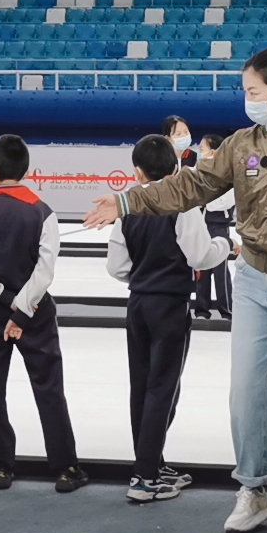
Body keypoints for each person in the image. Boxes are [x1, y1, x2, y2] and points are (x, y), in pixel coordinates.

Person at [81, 49, 267, 533]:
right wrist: (126, 201)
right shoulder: (240, 144)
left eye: (253, 92)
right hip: (251, 278)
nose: (246, 100)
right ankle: (253, 489)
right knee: (246, 392)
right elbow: (190, 186)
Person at [0, 133, 87, 493]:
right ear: (27, 171)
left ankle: (1, 467)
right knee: (49, 390)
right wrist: (22, 310)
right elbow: (44, 271)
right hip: (36, 315)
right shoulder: (44, 213)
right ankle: (65, 468)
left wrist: (2, 299)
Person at [106, 132, 229, 503]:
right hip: (170, 305)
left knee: (141, 386)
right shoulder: (182, 206)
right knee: (163, 388)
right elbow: (199, 256)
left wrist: (143, 277)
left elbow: (116, 267)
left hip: (138, 303)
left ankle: (151, 463)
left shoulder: (128, 207)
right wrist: (226, 245)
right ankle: (145, 477)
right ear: (176, 168)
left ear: (137, 172)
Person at [190, 132, 236, 321]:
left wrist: (205, 200)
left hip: (219, 225)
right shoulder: (199, 170)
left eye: (203, 149)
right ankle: (202, 309)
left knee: (220, 270)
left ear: (214, 151)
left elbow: (227, 200)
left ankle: (226, 309)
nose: (200, 152)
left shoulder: (227, 172)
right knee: (201, 267)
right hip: (202, 225)